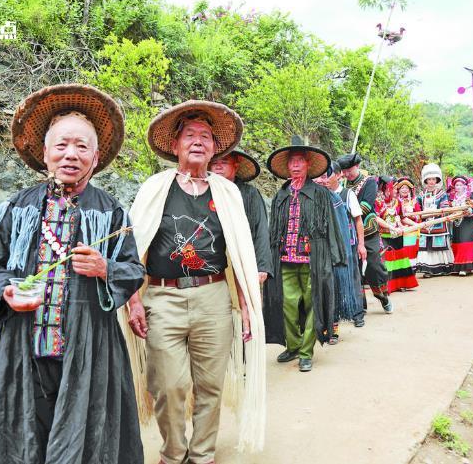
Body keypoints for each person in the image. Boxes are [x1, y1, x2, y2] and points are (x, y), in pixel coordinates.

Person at [0, 85, 146, 464]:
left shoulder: (111, 212)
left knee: (87, 440)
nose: (71, 154)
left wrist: (105, 269)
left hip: (89, 347)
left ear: (96, 156)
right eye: (62, 145)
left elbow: (134, 269)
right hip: (25, 345)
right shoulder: (16, 208)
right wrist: (6, 289)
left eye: (82, 147)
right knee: (26, 439)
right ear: (44, 153)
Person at [124, 101, 266, 464]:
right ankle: (173, 453)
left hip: (214, 297)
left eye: (206, 137)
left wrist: (248, 306)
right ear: (175, 146)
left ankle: (202, 455)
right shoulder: (154, 189)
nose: (198, 142)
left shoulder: (227, 194)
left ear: (216, 148)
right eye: (190, 136)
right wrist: (132, 299)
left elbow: (240, 255)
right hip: (161, 297)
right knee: (168, 386)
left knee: (210, 386)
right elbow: (132, 246)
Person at [262, 136, 346, 372]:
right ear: (287, 166)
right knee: (287, 303)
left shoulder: (320, 193)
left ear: (308, 164)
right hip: (285, 258)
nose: (295, 165)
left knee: (311, 304)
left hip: (313, 259)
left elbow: (331, 224)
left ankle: (306, 352)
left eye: (300, 161)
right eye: (292, 162)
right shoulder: (281, 195)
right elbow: (273, 228)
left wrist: (335, 255)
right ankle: (294, 345)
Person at [314, 163, 365, 343]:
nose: (323, 180)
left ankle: (356, 312)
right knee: (330, 287)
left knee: (351, 279)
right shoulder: (316, 196)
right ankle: (331, 324)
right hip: (325, 249)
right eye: (320, 176)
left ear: (338, 176)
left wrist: (361, 245)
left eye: (327, 175)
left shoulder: (346, 195)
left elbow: (358, 221)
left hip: (347, 245)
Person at [337, 153, 393, 313]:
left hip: (368, 231)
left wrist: (345, 213)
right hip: (348, 233)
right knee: (353, 268)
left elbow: (366, 206)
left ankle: (383, 296)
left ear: (357, 166)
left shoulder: (370, 183)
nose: (347, 174)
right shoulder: (342, 185)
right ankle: (359, 306)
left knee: (374, 266)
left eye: (349, 170)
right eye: (344, 171)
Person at [209, 149, 274, 283]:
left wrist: (262, 266)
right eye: (214, 162)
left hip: (242, 258)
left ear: (236, 165)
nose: (218, 166)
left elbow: (260, 228)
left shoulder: (250, 193)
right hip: (211, 261)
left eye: (224, 162)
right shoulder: (204, 191)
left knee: (243, 302)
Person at [375, 176, 418, 292]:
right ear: (386, 188)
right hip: (385, 236)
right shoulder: (378, 202)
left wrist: (416, 225)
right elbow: (377, 219)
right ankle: (388, 286)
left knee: (400, 258)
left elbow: (402, 218)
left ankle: (401, 284)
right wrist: (391, 227)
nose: (396, 191)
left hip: (398, 235)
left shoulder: (397, 202)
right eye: (394, 188)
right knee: (388, 259)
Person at [415, 163, 454, 277]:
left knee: (438, 246)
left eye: (433, 179)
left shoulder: (442, 194)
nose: (431, 181)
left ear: (437, 180)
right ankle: (428, 269)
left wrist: (439, 213)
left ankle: (441, 268)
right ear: (425, 180)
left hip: (439, 224)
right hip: (426, 225)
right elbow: (419, 209)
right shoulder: (421, 195)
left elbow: (445, 207)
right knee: (426, 247)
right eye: (429, 179)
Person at [449, 175, 473, 275]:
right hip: (456, 223)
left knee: (465, 242)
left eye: (460, 185)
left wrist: (469, 210)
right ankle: (457, 266)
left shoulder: (469, 196)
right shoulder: (452, 197)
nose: (458, 187)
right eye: (456, 185)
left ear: (465, 186)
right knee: (457, 243)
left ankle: (466, 267)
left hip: (467, 222)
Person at [396, 177, 420, 264]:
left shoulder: (414, 202)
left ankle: (412, 266)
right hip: (398, 229)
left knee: (410, 249)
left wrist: (412, 216)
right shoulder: (395, 202)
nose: (404, 190)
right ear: (398, 190)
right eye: (402, 188)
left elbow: (418, 215)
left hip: (411, 229)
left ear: (410, 190)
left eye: (406, 188)